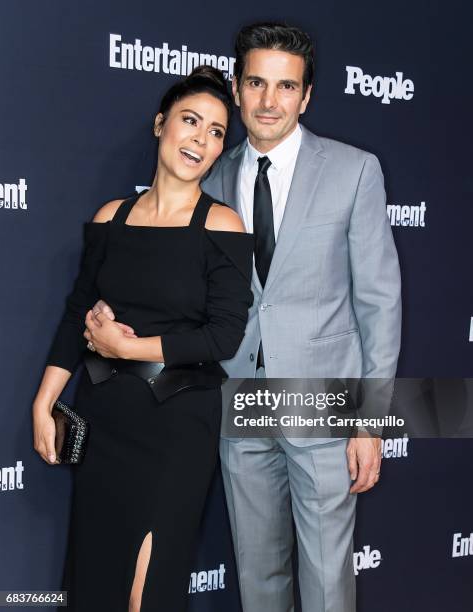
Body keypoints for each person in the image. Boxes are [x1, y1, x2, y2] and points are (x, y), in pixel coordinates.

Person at [88, 21, 402, 612]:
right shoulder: (211, 172)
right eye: (256, 83)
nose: (268, 101)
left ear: (306, 96)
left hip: (322, 401)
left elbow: (379, 305)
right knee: (258, 576)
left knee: (328, 575)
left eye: (286, 87)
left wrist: (370, 421)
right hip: (235, 398)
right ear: (236, 88)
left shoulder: (355, 171)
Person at [32, 65, 254, 612]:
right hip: (106, 417)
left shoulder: (222, 225)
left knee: (146, 592)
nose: (201, 139)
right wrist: (45, 400)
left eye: (217, 132)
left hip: (179, 426)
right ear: (160, 125)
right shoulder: (112, 217)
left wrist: (129, 348)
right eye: (190, 121)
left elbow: (224, 337)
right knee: (99, 582)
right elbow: (75, 313)